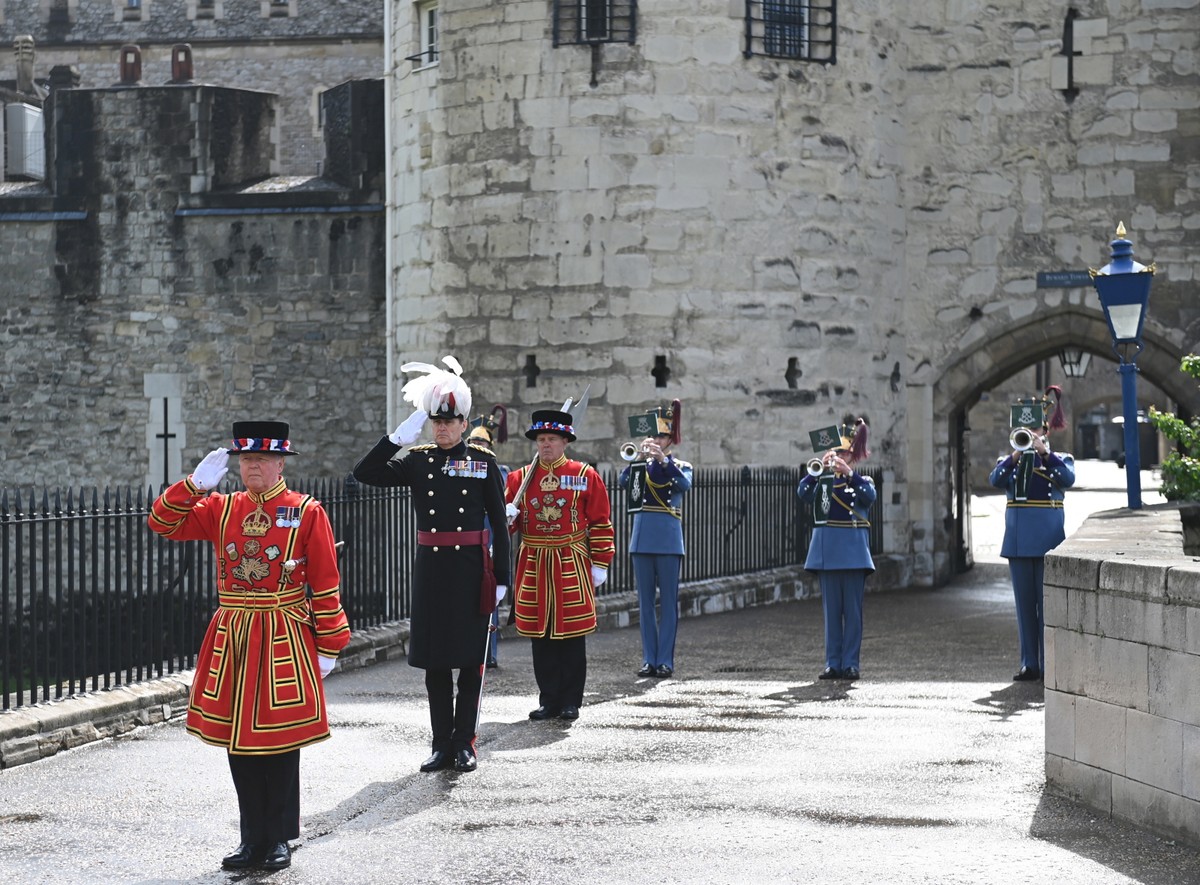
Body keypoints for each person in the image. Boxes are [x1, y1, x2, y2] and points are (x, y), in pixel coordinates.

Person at [147, 420, 350, 872]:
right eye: (245, 460)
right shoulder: (221, 508)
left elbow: (325, 580)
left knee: (278, 742)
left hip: (283, 632)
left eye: (260, 459)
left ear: (281, 463)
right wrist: (193, 485)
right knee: (237, 741)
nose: (252, 466)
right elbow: (161, 522)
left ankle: (277, 838)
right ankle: (250, 838)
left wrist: (331, 643)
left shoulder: (305, 511)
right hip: (234, 632)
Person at [352, 356, 509, 773]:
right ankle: (441, 744)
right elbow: (364, 473)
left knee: (470, 663)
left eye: (449, 422)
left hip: (472, 571)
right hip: (432, 573)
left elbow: (499, 522)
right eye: (435, 422)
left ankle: (465, 743)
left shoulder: (482, 462)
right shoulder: (418, 461)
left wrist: (503, 579)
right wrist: (395, 439)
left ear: (462, 422)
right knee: (436, 662)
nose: (442, 428)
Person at [504, 406, 614, 721]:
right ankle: (548, 699)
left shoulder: (583, 475)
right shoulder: (519, 478)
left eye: (552, 438)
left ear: (565, 441)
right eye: (541, 439)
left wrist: (601, 561)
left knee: (571, 635)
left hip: (570, 560)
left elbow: (600, 521)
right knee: (541, 636)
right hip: (536, 561)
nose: (546, 445)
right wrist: (507, 518)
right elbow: (508, 526)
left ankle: (571, 701)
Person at [989, 387, 1075, 682]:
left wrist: (1044, 454)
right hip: (1018, 542)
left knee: (1047, 607)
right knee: (1025, 608)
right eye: (1024, 430)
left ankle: (1049, 662)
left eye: (1034, 429)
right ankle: (1029, 663)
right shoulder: (1008, 461)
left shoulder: (1060, 459)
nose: (1030, 434)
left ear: (1045, 430)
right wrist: (1016, 455)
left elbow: (1068, 479)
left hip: (1048, 540)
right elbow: (995, 479)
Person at [796, 418, 876, 683]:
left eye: (844, 453)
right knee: (832, 614)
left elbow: (869, 497)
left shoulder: (861, 480)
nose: (840, 457)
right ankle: (832, 663)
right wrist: (818, 468)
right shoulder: (823, 481)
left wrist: (848, 473)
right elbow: (803, 492)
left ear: (853, 455)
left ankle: (851, 663)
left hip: (853, 553)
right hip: (828, 552)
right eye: (837, 452)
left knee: (852, 613)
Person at [618, 401, 692, 678]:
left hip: (669, 540)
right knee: (645, 604)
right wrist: (638, 459)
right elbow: (624, 483)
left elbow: (684, 485)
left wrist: (663, 460)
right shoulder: (640, 466)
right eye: (654, 436)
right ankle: (649, 659)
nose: (657, 440)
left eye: (661, 436)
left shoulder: (680, 466)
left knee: (669, 603)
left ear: (671, 438)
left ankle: (665, 661)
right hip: (642, 539)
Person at [466, 407, 510, 669]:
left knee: (489, 598)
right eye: (473, 441)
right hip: (471, 539)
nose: (477, 445)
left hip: (490, 540)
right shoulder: (463, 468)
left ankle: (489, 652)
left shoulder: (500, 471)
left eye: (481, 441)